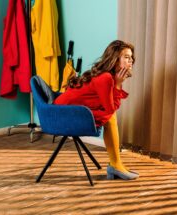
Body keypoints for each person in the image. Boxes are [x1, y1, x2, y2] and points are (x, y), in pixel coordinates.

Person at [54, 40, 138, 180]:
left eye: (132, 58)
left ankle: (116, 165)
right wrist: (118, 85)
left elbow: (108, 106)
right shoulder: (106, 78)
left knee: (110, 116)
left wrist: (116, 84)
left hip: (69, 111)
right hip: (62, 115)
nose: (131, 61)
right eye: (127, 57)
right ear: (115, 60)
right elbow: (111, 108)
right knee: (110, 116)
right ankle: (115, 165)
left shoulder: (108, 76)